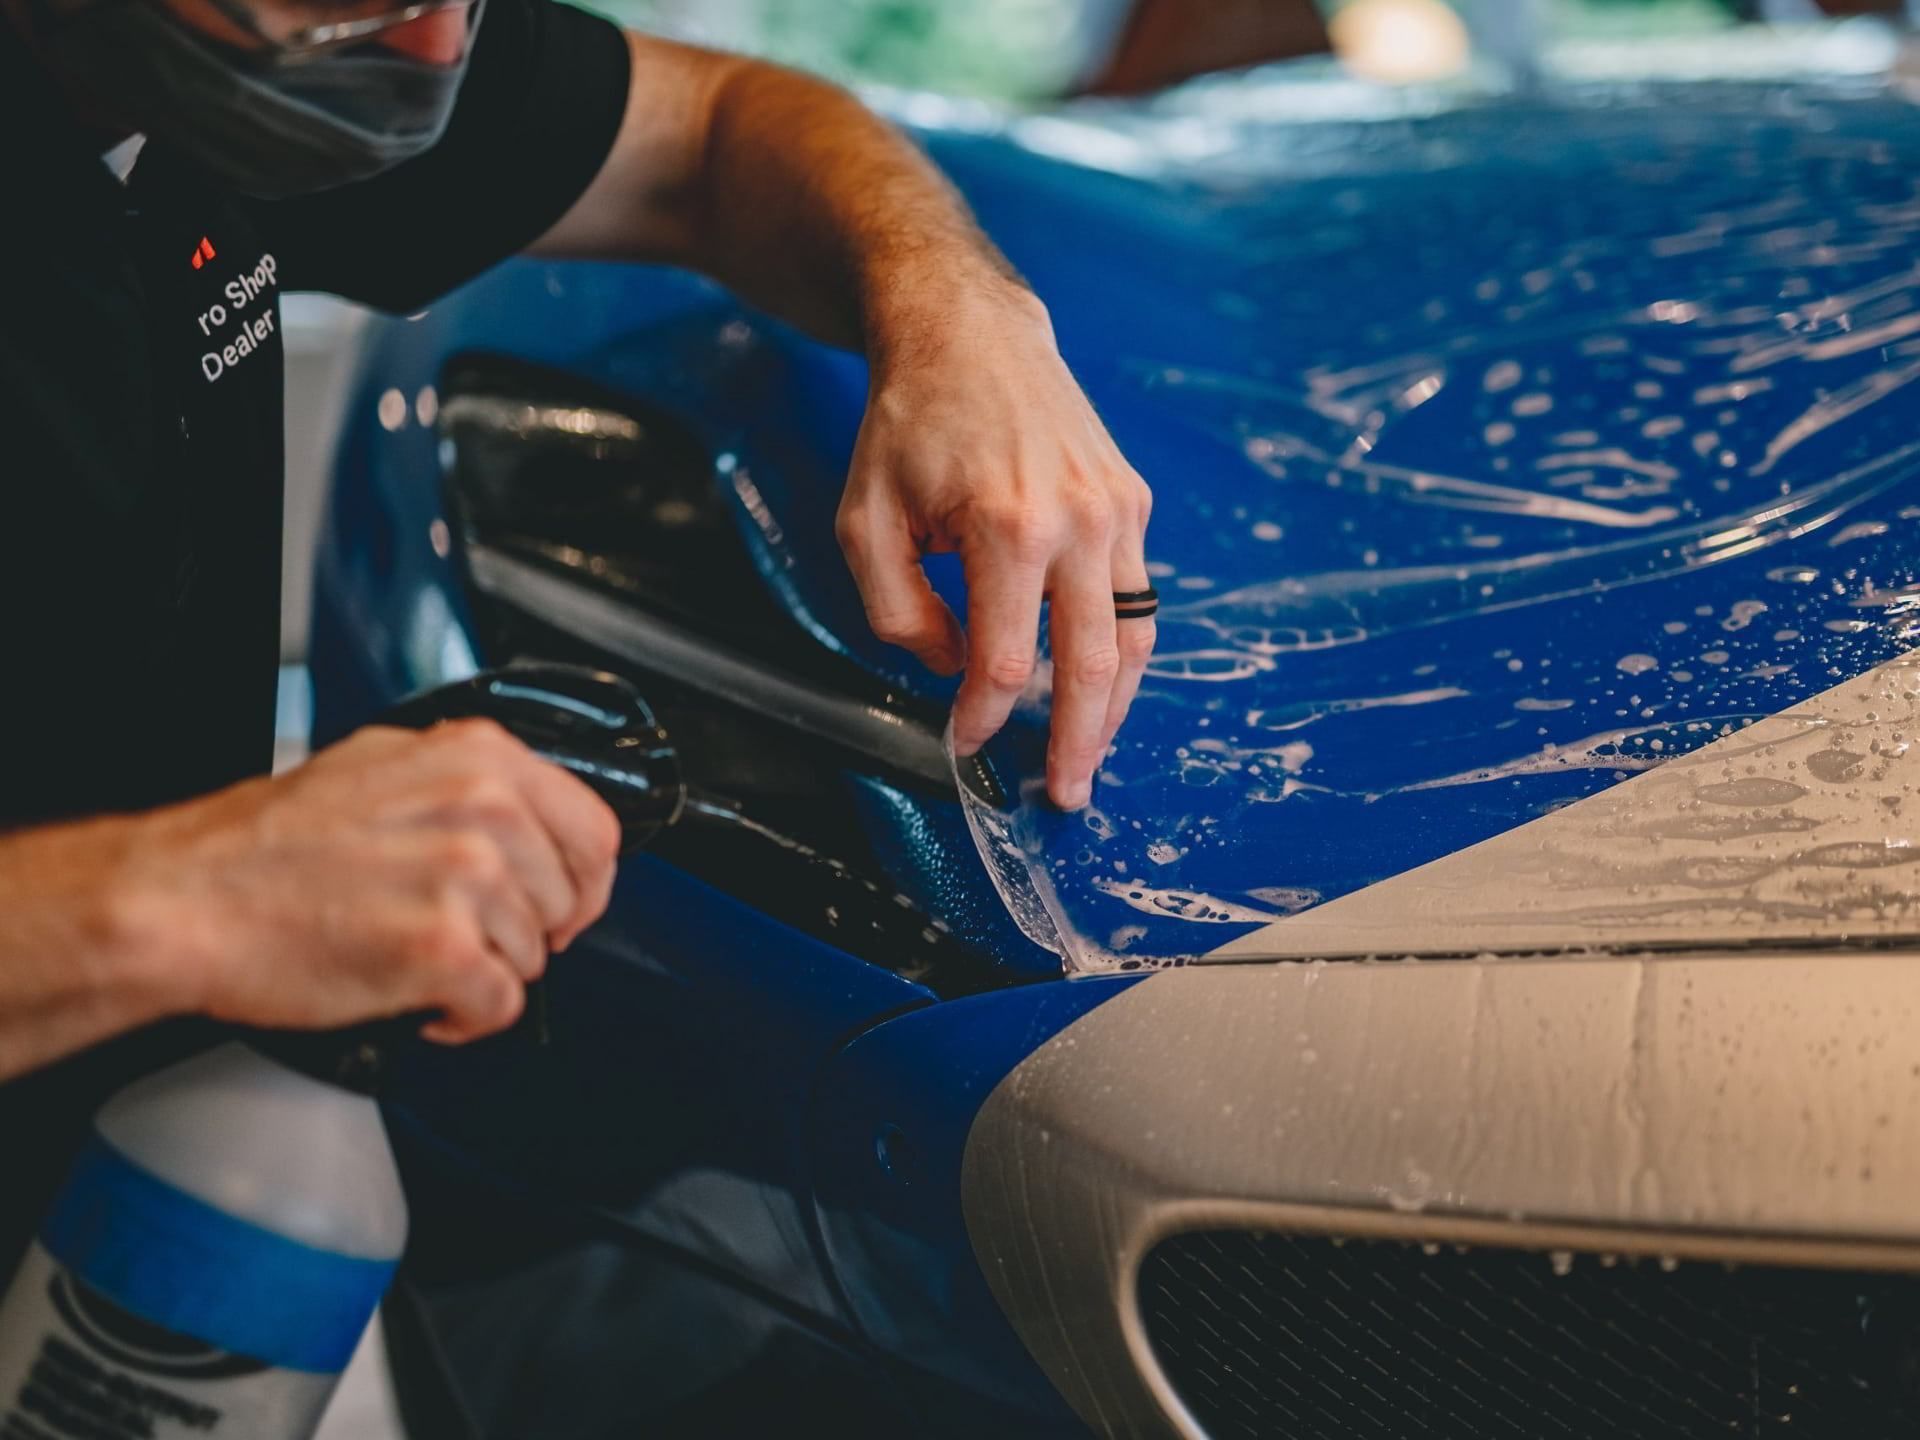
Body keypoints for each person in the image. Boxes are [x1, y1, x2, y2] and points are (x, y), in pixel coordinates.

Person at [0, 0, 1154, 1270]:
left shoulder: (233, 65)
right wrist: (177, 900)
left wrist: (960, 318)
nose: (435, 50)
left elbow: (716, 132)